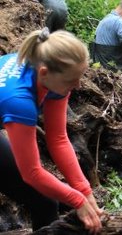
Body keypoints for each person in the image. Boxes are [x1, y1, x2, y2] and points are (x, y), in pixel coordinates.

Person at [0, 29, 103, 232]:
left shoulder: (52, 76)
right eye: (71, 81)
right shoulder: (19, 100)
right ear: (45, 73)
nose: (78, 85)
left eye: (79, 77)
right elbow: (31, 173)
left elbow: (58, 139)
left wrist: (85, 192)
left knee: (45, 201)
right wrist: (77, 201)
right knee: (44, 199)